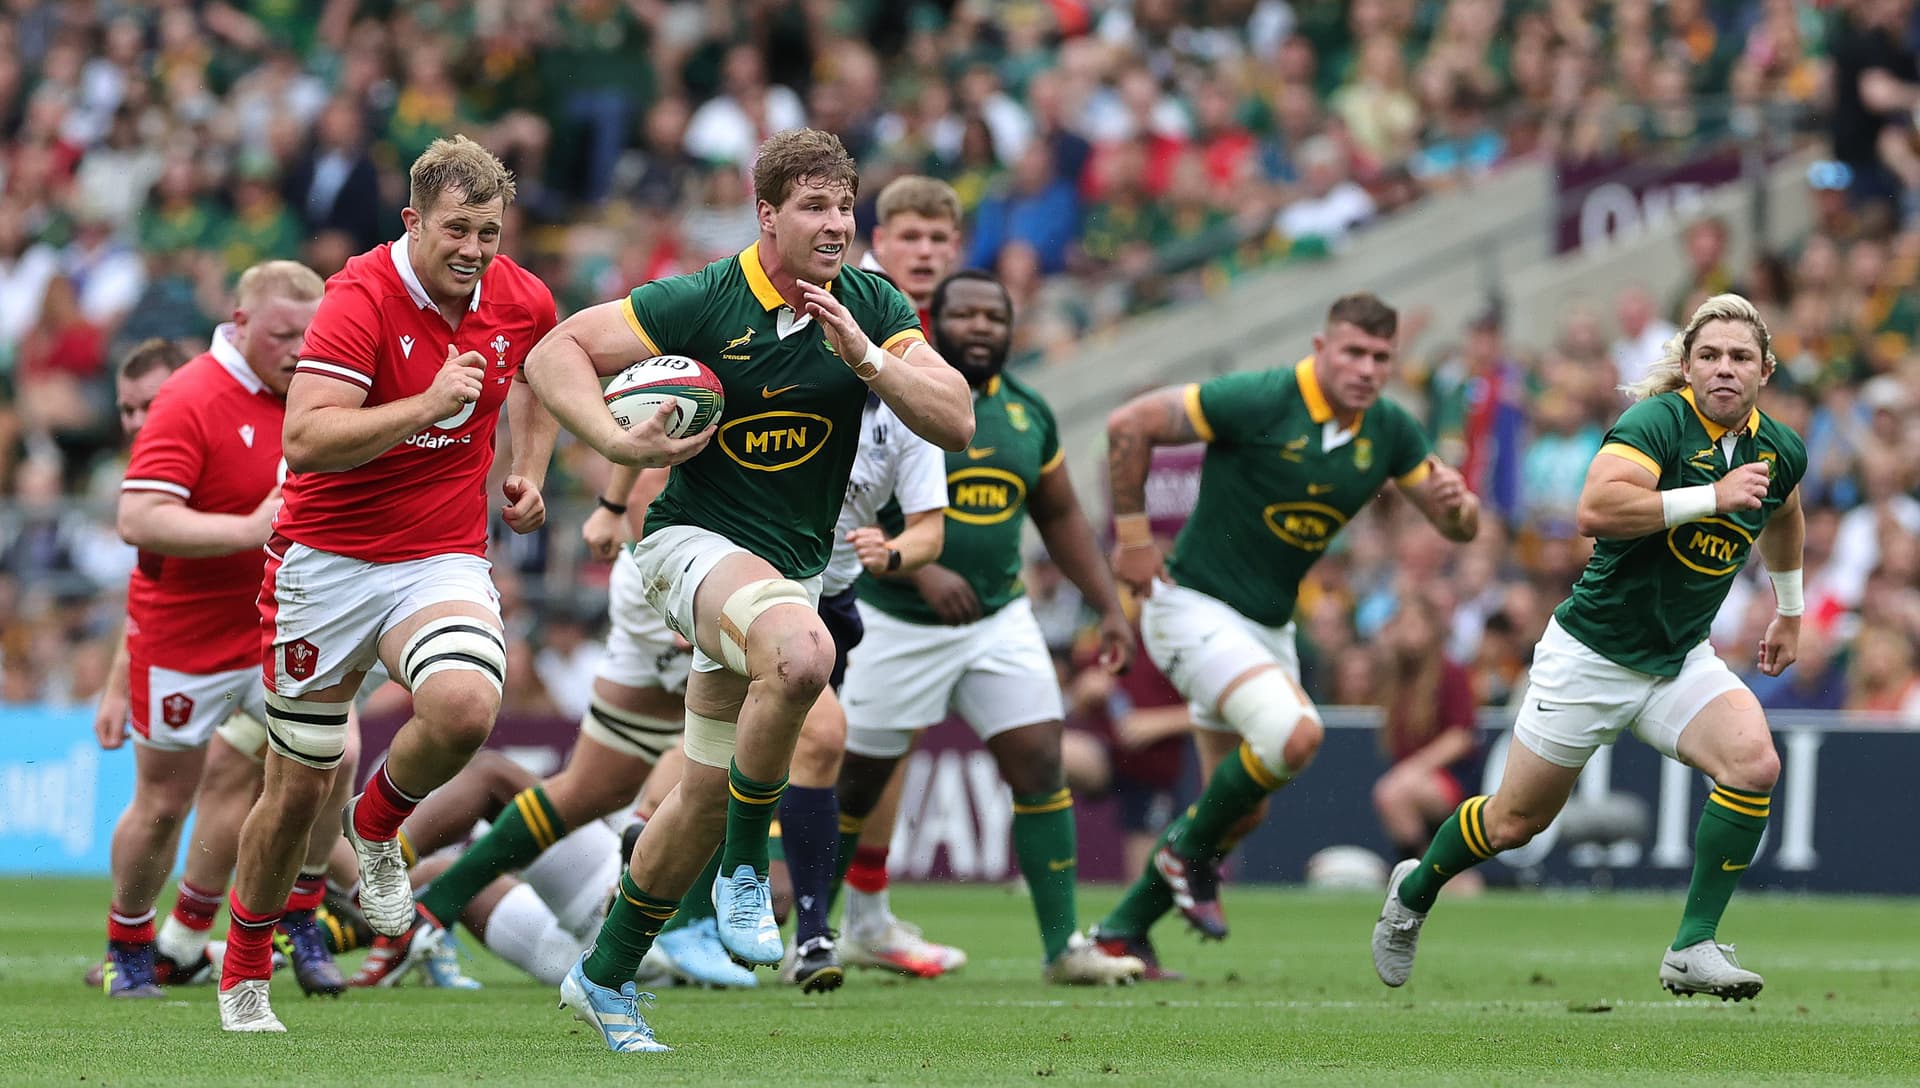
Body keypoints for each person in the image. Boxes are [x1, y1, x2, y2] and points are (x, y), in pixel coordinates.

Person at [523, 128, 973, 1053]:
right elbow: (556, 351)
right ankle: (744, 870)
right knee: (807, 655)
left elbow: (957, 417)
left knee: (698, 794)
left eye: (845, 206)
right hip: (689, 546)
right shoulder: (703, 297)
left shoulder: (870, 303)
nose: (837, 224)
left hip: (791, 571)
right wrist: (615, 445)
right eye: (814, 206)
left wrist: (871, 359)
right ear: (766, 215)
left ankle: (602, 976)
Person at [218, 136, 577, 1033]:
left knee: (462, 707)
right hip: (324, 563)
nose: (475, 250)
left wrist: (525, 470)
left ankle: (377, 831)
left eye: (490, 232)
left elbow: (537, 370)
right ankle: (244, 968)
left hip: (437, 555)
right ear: (413, 221)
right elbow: (306, 438)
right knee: (296, 787)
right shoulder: (357, 299)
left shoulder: (519, 296)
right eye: (457, 229)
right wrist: (427, 406)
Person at [1373, 294, 1806, 1002]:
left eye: (1739, 357)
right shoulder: (1657, 421)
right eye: (1710, 356)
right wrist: (1710, 497)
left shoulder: (1779, 449)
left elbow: (1785, 510)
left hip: (1679, 659)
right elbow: (1594, 511)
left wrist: (1788, 609)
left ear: (1765, 368)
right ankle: (1414, 891)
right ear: (1689, 367)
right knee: (1515, 821)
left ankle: (1692, 945)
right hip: (1592, 655)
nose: (1724, 369)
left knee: (1754, 764)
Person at [1092, 293, 1478, 972]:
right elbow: (1130, 423)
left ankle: (1122, 933)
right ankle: (1184, 856)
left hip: (1265, 628)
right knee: (1296, 735)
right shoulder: (1263, 396)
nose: (1365, 368)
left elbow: (1453, 523)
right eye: (1352, 352)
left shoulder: (1388, 428)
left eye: (1380, 357)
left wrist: (1463, 513)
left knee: (1239, 815)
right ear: (1320, 348)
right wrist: (1131, 537)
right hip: (1191, 606)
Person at [835, 269, 1146, 987]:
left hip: (999, 618)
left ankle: (1064, 945)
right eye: (964, 315)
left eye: (993, 317)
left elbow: (1062, 515)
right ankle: (825, 931)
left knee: (1040, 759)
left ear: (1012, 329)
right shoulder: (894, 398)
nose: (980, 327)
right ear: (932, 324)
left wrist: (1107, 606)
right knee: (854, 786)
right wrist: (922, 570)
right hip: (894, 618)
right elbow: (849, 507)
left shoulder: (1029, 413)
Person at [100, 264, 361, 1001]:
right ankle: (130, 942)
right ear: (239, 324)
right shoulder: (189, 397)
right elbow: (138, 519)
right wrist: (248, 528)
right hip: (185, 635)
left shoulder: (326, 390)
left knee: (330, 764)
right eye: (283, 334)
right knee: (163, 802)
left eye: (312, 334)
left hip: (279, 623)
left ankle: (300, 920)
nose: (300, 348)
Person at [346, 464, 702, 986]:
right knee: (444, 876)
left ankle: (355, 897)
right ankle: (362, 918)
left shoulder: (674, 574)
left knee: (494, 778)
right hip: (597, 950)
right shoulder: (711, 585)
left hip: (643, 909)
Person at [837, 174, 971, 978]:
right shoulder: (859, 310)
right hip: (817, 559)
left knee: (883, 744)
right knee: (813, 741)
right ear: (875, 238)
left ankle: (862, 916)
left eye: (937, 240)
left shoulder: (924, 333)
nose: (923, 252)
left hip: (867, 565)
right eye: (907, 236)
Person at [1368, 593, 1484, 868]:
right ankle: (1424, 868)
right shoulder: (1395, 676)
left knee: (1391, 793)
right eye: (1402, 625)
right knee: (1392, 794)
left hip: (1454, 778)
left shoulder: (1451, 672)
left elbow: (1461, 736)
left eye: (1415, 625)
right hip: (1417, 779)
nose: (1407, 633)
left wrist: (1415, 768)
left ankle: (1414, 872)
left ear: (1431, 629)